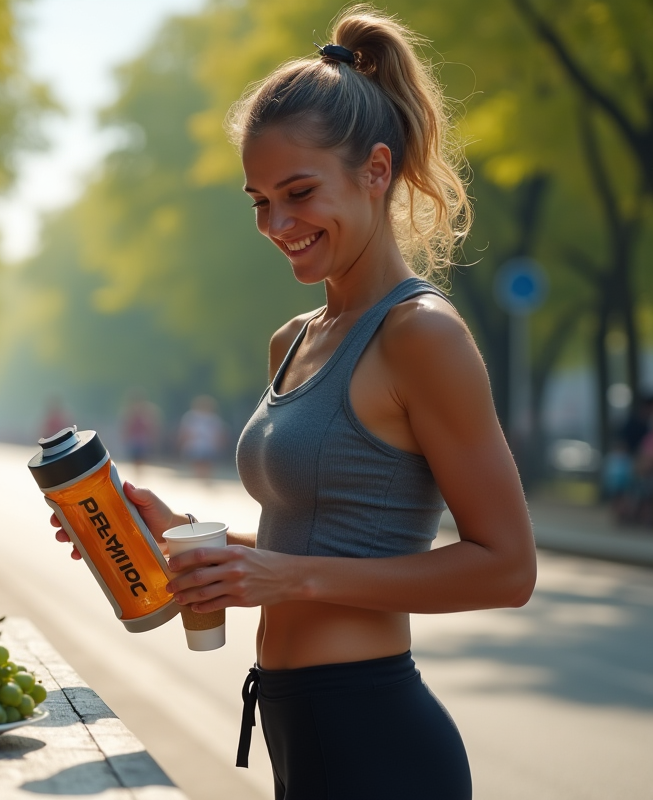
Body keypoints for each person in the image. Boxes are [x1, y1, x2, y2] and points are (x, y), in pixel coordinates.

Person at [50, 9, 536, 798]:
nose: (277, 225)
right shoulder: (293, 339)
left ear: (376, 171)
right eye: (260, 201)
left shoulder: (421, 335)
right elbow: (313, 542)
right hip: (295, 727)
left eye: (299, 192)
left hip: (380, 740)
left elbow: (508, 568)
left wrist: (288, 580)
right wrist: (187, 541)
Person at [177, 395, 226, 482]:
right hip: (194, 445)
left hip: (208, 446)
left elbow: (219, 434)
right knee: (197, 463)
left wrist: (218, 445)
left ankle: (204, 479)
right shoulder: (191, 417)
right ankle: (199, 479)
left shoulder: (214, 419)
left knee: (207, 464)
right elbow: (185, 432)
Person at [120, 390, 161, 475]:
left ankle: (139, 472)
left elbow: (151, 426)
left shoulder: (147, 412)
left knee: (141, 458)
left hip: (142, 440)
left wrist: (153, 437)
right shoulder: (129, 412)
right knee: (135, 458)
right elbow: (126, 426)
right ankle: (137, 472)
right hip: (134, 440)